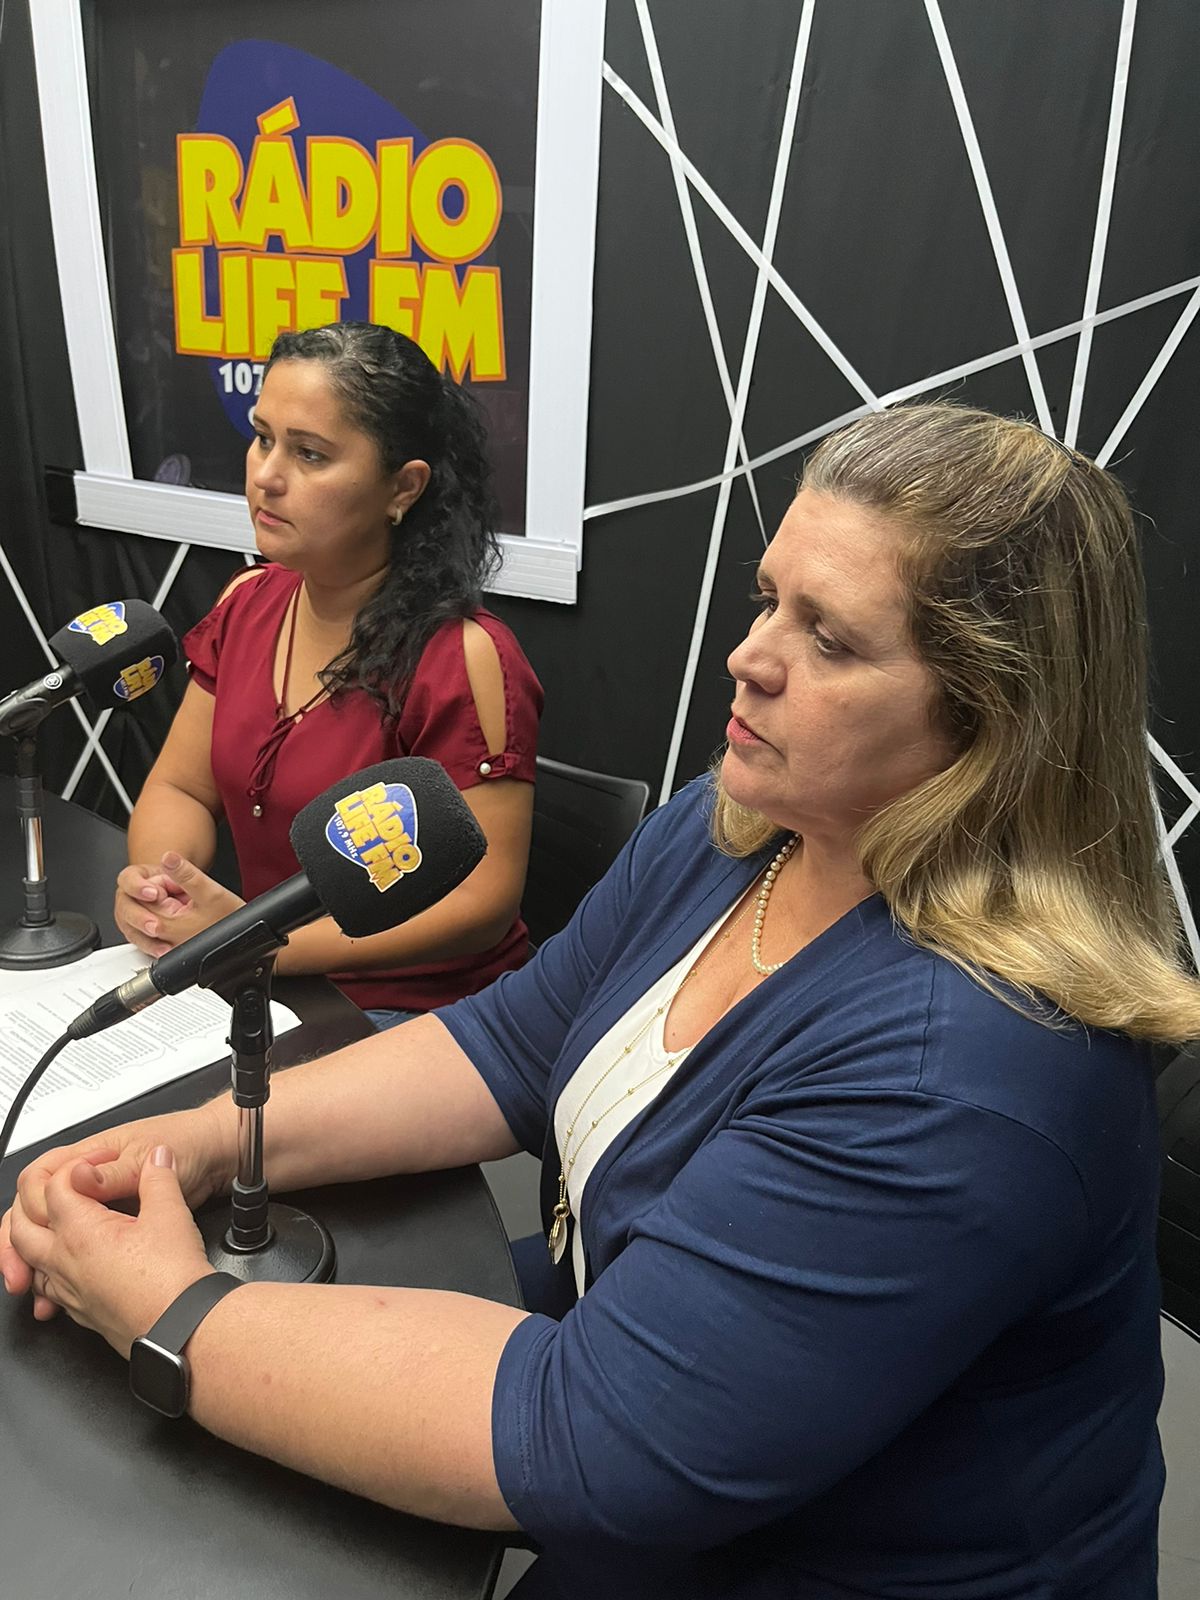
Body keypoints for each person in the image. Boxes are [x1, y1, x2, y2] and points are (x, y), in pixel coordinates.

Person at [4, 403, 1196, 1598]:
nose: (751, 657)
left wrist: (172, 1312)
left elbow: (592, 1441)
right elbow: (507, 1043)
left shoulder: (967, 1071)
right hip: (641, 1413)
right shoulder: (741, 828)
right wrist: (198, 1142)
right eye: (767, 601)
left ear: (993, 716)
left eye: (830, 639)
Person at [114, 322, 542, 1025]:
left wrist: (259, 944)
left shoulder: (467, 658)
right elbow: (181, 787)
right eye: (262, 438)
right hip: (264, 982)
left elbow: (482, 904)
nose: (266, 476)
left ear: (402, 487)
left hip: (419, 1014)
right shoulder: (245, 603)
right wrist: (164, 888)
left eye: (310, 454)